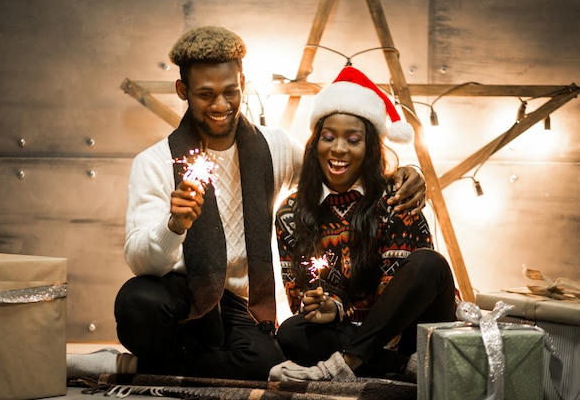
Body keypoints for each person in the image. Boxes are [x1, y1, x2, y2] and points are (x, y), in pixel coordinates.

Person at [67, 26, 427, 382]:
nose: (221, 105)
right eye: (206, 94)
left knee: (264, 362)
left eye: (230, 92)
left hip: (238, 304)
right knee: (137, 303)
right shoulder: (156, 162)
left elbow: (337, 171)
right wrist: (173, 226)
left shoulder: (274, 147)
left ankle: (132, 366)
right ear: (183, 90)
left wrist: (404, 172)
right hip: (179, 292)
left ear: (244, 84)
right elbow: (140, 260)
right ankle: (191, 359)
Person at [268, 66, 457, 383]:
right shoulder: (291, 212)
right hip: (356, 336)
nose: (338, 149)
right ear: (315, 144)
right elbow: (299, 292)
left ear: (370, 149)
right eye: (328, 138)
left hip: (410, 331)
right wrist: (328, 306)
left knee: (429, 264)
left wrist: (357, 337)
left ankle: (347, 363)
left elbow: (406, 293)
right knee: (291, 332)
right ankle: (401, 368)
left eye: (353, 140)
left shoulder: (396, 198)